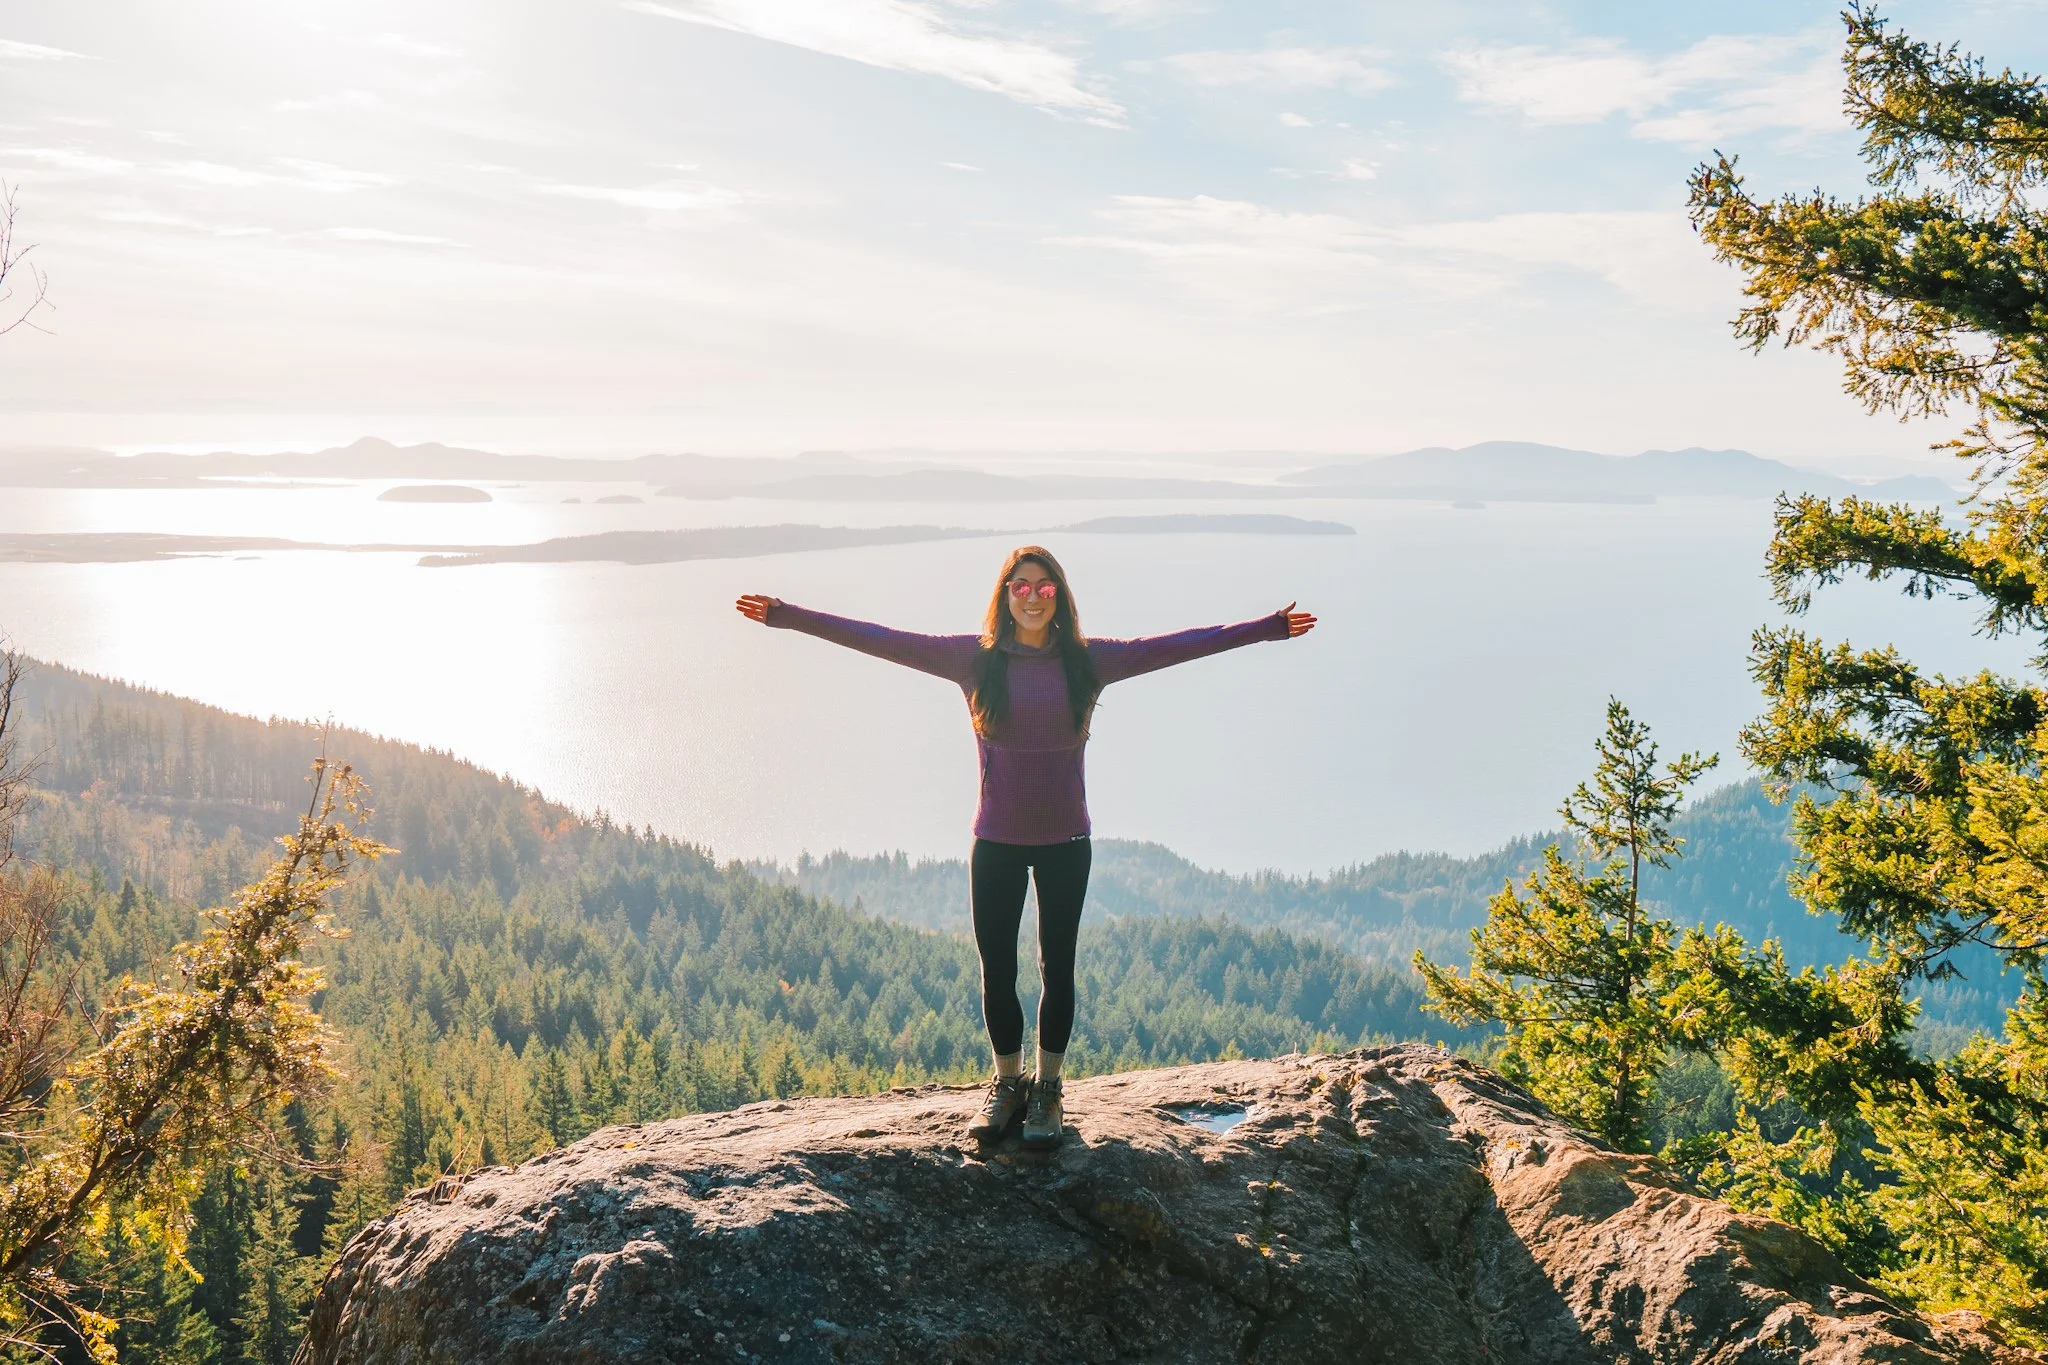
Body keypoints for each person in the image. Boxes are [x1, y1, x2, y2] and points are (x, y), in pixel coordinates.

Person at [735, 546, 1316, 1150]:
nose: (1033, 596)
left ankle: (1049, 1089)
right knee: (998, 970)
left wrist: (1267, 629)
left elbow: (1177, 645)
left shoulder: (1087, 663)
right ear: (1005, 594)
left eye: (1044, 587)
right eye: (1021, 586)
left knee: (1056, 967)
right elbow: (881, 638)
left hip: (1067, 841)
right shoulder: (974, 660)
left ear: (1059, 596)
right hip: (997, 841)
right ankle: (1008, 1083)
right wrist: (788, 616)